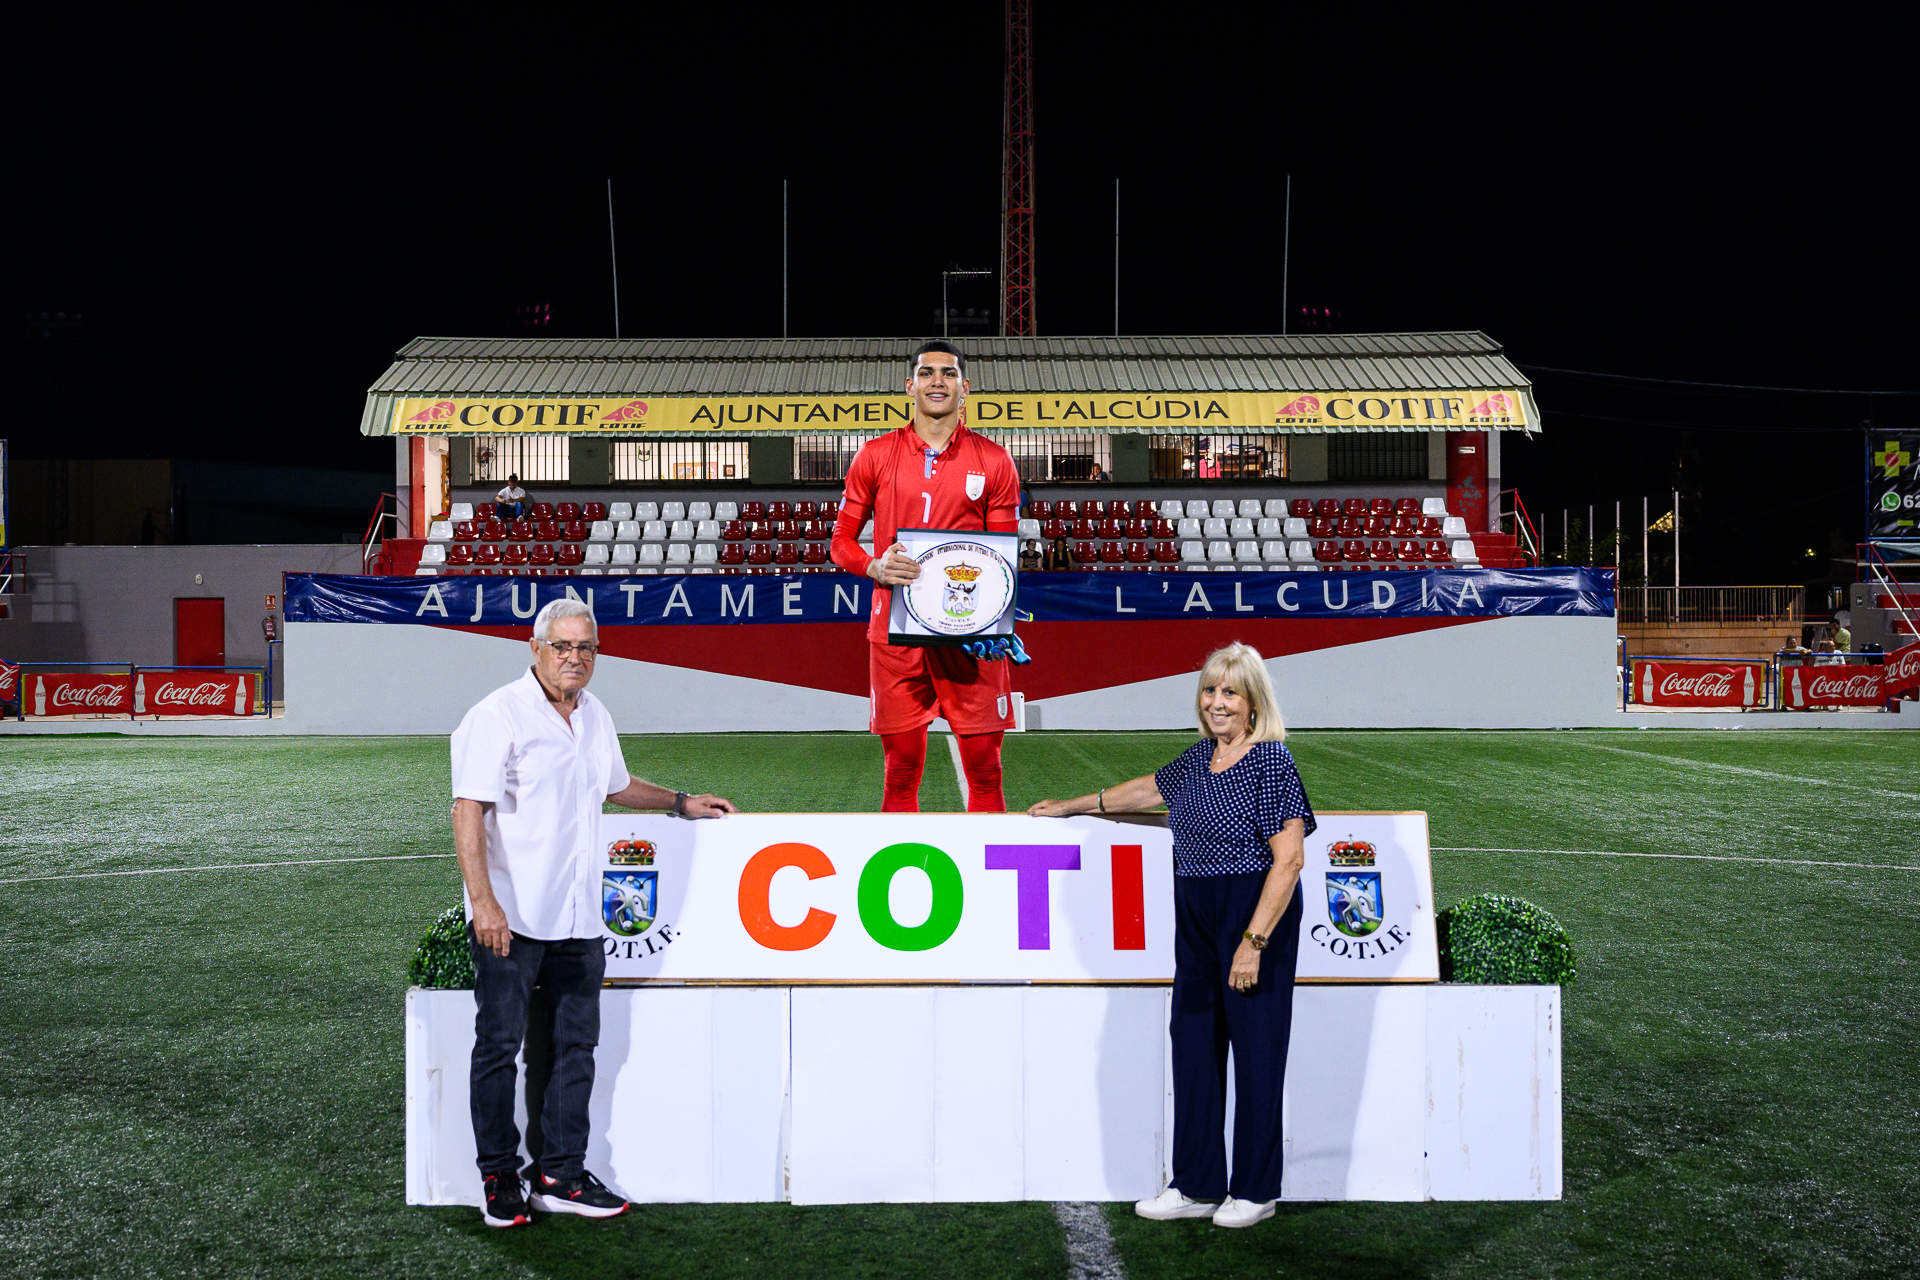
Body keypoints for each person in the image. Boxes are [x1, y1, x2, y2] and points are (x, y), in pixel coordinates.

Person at [451, 598, 738, 1228]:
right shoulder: (497, 715)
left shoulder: (595, 714)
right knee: (499, 1047)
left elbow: (615, 785)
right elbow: (467, 808)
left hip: (580, 915)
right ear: (536, 649)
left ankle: (560, 1174)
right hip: (513, 916)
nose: (574, 658)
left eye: (586, 648)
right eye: (562, 646)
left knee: (573, 1049)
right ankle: (498, 1175)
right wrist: (484, 903)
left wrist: (681, 801)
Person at [1029, 642, 1312, 1229]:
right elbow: (1146, 790)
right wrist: (1072, 807)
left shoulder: (1271, 761)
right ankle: (1198, 1183)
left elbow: (1288, 860)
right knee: (1193, 1041)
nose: (1217, 702)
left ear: (1254, 702)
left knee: (1256, 1052)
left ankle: (1256, 1190)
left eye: (1230, 692)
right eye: (1210, 690)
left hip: (1253, 911)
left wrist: (1253, 942)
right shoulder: (1200, 758)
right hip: (1197, 910)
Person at [831, 339, 1027, 812]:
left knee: (985, 768)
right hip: (896, 633)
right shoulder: (874, 454)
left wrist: (994, 620)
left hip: (968, 635)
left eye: (948, 373)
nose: (937, 381)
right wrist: (874, 566)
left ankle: (986, 861)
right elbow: (840, 542)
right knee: (900, 769)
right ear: (910, 386)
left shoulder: (994, 460)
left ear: (965, 388)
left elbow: (1002, 558)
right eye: (926, 373)